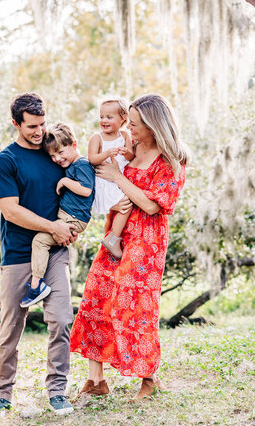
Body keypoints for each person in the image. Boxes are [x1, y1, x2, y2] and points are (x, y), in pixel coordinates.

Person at [70, 93, 187, 401]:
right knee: (96, 296)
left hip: (145, 241)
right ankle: (96, 380)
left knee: (134, 306)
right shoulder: (131, 149)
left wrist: (119, 178)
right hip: (117, 234)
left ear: (153, 125)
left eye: (135, 125)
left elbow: (151, 206)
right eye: (130, 123)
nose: (129, 129)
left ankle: (149, 378)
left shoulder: (170, 160)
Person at [0, 92, 77, 417]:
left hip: (54, 255)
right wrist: (53, 226)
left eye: (41, 124)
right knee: (10, 327)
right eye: (32, 127)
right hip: (17, 255)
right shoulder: (5, 161)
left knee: (62, 321)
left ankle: (57, 392)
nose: (39, 132)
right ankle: (1, 395)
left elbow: (80, 187)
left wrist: (71, 225)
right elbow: (11, 211)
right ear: (16, 124)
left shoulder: (54, 154)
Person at [21, 123, 95, 308]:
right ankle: (37, 283)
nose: (57, 158)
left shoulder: (82, 164)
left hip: (73, 218)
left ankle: (37, 285)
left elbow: (86, 190)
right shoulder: (71, 165)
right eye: (53, 155)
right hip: (66, 216)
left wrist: (64, 181)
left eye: (61, 152)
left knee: (39, 241)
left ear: (74, 144)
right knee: (42, 241)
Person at [88, 97, 135, 259]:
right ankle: (113, 238)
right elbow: (92, 159)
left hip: (118, 179)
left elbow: (130, 156)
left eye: (109, 117)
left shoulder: (125, 135)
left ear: (123, 119)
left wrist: (125, 152)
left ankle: (109, 236)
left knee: (113, 213)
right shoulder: (97, 138)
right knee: (126, 205)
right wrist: (107, 153)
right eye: (101, 117)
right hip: (104, 181)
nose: (104, 120)